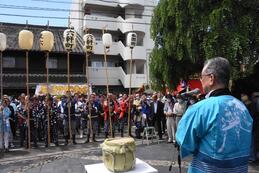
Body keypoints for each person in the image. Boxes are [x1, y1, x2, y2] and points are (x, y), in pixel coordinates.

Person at [176, 57, 253, 173]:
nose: (200, 81)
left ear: (211, 78)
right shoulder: (243, 108)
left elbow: (184, 142)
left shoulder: (200, 108)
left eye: (202, 77)